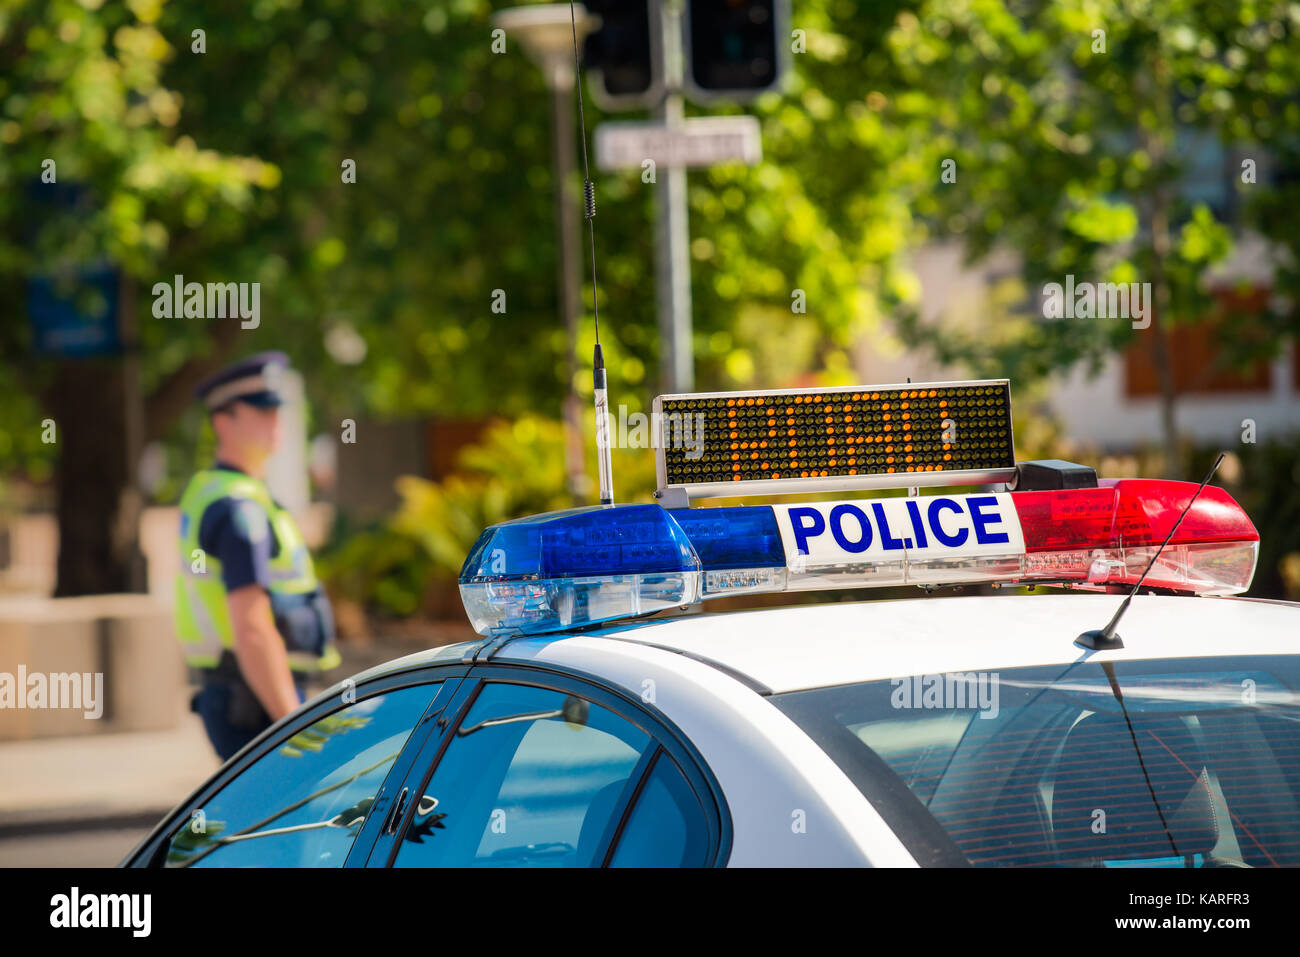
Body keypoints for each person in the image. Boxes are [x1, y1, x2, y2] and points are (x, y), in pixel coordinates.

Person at [174, 352, 340, 760]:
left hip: (247, 696)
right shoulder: (238, 507)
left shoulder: (223, 493)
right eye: (260, 411)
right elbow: (252, 628)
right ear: (222, 421)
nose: (274, 421)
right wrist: (295, 724)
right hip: (257, 702)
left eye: (276, 410)